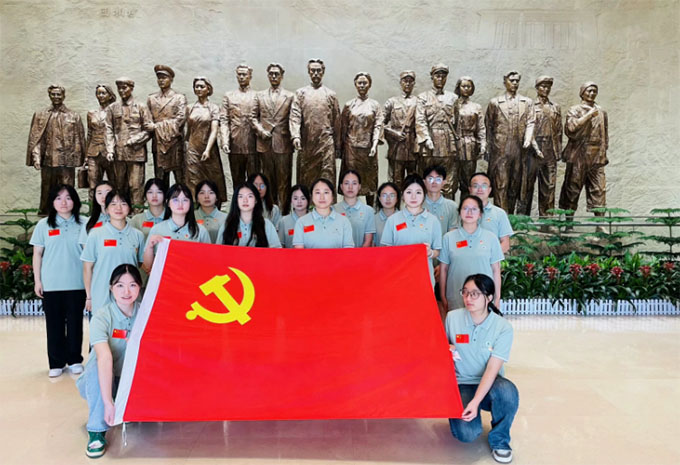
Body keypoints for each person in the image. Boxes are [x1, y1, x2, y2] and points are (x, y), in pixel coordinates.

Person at [445, 274, 518, 464]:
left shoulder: (503, 327)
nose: (468, 298)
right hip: (462, 383)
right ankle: (461, 412)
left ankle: (500, 440)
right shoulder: (452, 318)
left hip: (491, 383)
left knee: (508, 392)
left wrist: (475, 402)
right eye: (465, 292)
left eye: (475, 294)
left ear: (489, 297)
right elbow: (439, 347)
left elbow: (492, 369)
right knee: (467, 434)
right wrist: (445, 348)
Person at [76, 264, 142, 458]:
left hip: (130, 381)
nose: (126, 292)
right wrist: (107, 402)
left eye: (132, 285)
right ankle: (96, 431)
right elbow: (104, 358)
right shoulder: (102, 317)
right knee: (97, 364)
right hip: (100, 380)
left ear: (140, 287)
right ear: (111, 288)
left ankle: (129, 406)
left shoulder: (146, 312)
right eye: (120, 285)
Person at [30, 184, 86, 377]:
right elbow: (37, 254)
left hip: (77, 282)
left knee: (75, 324)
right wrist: (37, 281)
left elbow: (90, 255)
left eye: (68, 198)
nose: (63, 202)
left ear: (75, 201)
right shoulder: (43, 225)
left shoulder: (84, 223)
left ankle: (75, 360)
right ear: (52, 202)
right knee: (53, 325)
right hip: (52, 283)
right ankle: (56, 363)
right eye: (58, 198)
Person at [81, 190, 145, 315]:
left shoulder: (138, 235)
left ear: (129, 208)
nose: (118, 208)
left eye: (123, 203)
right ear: (106, 209)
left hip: (128, 295)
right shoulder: (96, 234)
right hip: (102, 294)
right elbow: (87, 268)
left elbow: (141, 264)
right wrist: (89, 296)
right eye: (113, 204)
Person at [26, 85, 86, 214]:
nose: (56, 97)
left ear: (64, 96)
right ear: (49, 95)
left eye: (59, 94)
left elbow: (80, 138)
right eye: (53, 94)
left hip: (67, 161)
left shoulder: (73, 115)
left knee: (67, 189)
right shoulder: (40, 115)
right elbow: (36, 138)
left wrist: (81, 160)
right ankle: (46, 215)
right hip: (48, 159)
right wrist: (36, 157)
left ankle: (69, 214)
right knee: (47, 189)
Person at [439, 195, 503, 311]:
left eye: (474, 209)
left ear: (480, 214)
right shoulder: (448, 238)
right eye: (465, 208)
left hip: (483, 297)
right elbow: (443, 269)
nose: (469, 212)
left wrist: (497, 298)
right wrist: (443, 296)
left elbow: (496, 270)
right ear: (459, 212)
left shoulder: (491, 238)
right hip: (456, 297)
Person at [558, 81, 609, 226]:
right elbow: (571, 129)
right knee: (572, 188)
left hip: (596, 155)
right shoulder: (574, 110)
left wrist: (603, 152)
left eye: (594, 91)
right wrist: (588, 115)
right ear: (582, 93)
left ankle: (600, 224)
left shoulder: (601, 112)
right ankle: (569, 223)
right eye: (589, 91)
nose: (592, 94)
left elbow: (605, 135)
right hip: (579, 154)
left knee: (599, 189)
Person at [485, 71, 535, 214]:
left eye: (517, 81)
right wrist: (488, 148)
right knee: (501, 184)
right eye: (511, 80)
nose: (514, 83)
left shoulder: (527, 103)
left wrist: (528, 138)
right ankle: (500, 217)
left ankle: (510, 217)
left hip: (519, 150)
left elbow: (531, 122)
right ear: (505, 82)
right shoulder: (495, 103)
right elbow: (488, 126)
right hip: (500, 151)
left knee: (515, 185)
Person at [381, 174, 442, 287]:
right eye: (409, 192)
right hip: (398, 277)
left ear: (424, 195)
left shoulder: (433, 221)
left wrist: (430, 253)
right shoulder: (393, 220)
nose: (413, 197)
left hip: (424, 278)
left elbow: (437, 251)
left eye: (418, 192)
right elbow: (386, 250)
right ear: (403, 195)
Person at [289, 59, 342, 188]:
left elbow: (337, 122)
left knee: (327, 179)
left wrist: (338, 146)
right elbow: (295, 116)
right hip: (307, 143)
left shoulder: (331, 95)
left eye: (318, 70)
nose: (316, 73)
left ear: (323, 72)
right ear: (309, 72)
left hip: (326, 145)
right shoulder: (300, 93)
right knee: (306, 182)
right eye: (313, 70)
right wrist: (295, 136)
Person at [250, 63, 295, 204]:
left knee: (284, 181)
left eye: (276, 74)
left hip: (283, 144)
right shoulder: (259, 96)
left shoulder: (290, 96)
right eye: (271, 74)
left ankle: (284, 212)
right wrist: (261, 131)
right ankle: (269, 210)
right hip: (265, 144)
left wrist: (295, 137)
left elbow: (294, 119)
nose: (274, 76)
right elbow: (252, 118)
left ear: (282, 76)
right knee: (267, 180)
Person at [105, 77, 152, 209]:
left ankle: (137, 212)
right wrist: (110, 149)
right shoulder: (112, 108)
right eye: (119, 88)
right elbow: (108, 129)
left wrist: (135, 140)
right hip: (119, 153)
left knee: (136, 185)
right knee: (120, 186)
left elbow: (149, 129)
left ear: (131, 88)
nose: (121, 91)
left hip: (136, 153)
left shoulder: (141, 107)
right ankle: (121, 212)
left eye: (124, 88)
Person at [518, 75, 562, 217]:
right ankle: (522, 219)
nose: (546, 89)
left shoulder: (555, 107)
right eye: (543, 86)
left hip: (550, 148)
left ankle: (547, 220)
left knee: (549, 186)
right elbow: (525, 128)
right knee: (527, 185)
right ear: (537, 88)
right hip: (532, 150)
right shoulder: (530, 105)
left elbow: (559, 130)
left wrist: (558, 151)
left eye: (548, 86)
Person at [143, 184, 212, 271]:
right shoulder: (157, 229)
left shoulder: (201, 231)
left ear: (190, 203)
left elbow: (209, 262)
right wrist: (150, 246)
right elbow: (147, 266)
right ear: (168, 202)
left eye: (185, 200)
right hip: (164, 278)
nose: (180, 204)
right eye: (175, 200)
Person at [339, 72, 383, 207]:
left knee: (370, 183)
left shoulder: (375, 105)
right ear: (355, 84)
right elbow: (342, 128)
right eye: (360, 83)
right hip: (351, 150)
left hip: (368, 149)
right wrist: (340, 150)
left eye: (365, 83)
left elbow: (378, 126)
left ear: (370, 85)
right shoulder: (349, 105)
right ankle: (351, 210)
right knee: (351, 181)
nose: (362, 85)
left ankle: (371, 211)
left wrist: (374, 144)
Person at [415, 64, 458, 199]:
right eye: (437, 76)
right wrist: (426, 138)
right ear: (432, 77)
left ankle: (447, 208)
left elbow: (457, 122)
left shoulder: (453, 98)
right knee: (426, 178)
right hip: (429, 142)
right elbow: (420, 120)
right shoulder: (423, 97)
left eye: (443, 76)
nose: (440, 79)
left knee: (447, 180)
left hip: (447, 142)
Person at [184, 77, 228, 204]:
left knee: (212, 178)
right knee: (193, 179)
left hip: (209, 149)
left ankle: (213, 206)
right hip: (193, 148)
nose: (199, 89)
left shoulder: (214, 108)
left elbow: (214, 131)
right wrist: (187, 147)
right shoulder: (190, 108)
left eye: (202, 86)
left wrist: (207, 150)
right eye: (196, 86)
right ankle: (195, 207)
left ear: (208, 89)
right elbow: (188, 131)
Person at [146, 64, 187, 186]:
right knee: (160, 178)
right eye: (159, 78)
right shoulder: (151, 99)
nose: (161, 80)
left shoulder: (179, 98)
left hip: (175, 142)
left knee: (180, 178)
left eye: (164, 77)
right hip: (158, 143)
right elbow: (147, 121)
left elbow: (180, 119)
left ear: (171, 79)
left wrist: (157, 127)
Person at [220, 64, 259, 186]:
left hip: (253, 145)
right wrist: (225, 141)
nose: (241, 77)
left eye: (244, 74)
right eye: (239, 74)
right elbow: (224, 120)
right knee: (237, 181)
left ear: (250, 76)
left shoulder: (257, 96)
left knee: (255, 181)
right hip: (235, 144)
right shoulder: (229, 96)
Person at [293, 178, 354, 249]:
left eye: (326, 192)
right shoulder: (301, 222)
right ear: (312, 196)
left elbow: (348, 251)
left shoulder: (344, 222)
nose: (322, 197)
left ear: (332, 196)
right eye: (317, 192)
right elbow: (299, 253)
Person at [217, 182, 281, 247]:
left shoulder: (267, 225)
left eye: (250, 196)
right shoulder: (227, 225)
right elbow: (218, 250)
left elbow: (276, 250)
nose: (245, 200)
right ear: (236, 200)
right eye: (241, 196)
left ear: (256, 200)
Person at [383, 71, 419, 187]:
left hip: (413, 147)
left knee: (413, 182)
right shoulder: (392, 102)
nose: (407, 84)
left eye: (410, 81)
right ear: (400, 83)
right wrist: (393, 133)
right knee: (396, 181)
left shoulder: (419, 102)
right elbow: (380, 123)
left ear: (414, 83)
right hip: (396, 147)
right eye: (405, 81)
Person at [453, 76, 486, 200]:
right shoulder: (453, 105)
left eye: (468, 86)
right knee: (452, 181)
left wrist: (483, 144)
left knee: (468, 181)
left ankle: (466, 206)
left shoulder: (476, 107)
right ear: (459, 87)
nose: (466, 89)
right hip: (455, 145)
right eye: (463, 86)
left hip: (470, 145)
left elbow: (481, 128)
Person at [84, 84, 117, 202]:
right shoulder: (91, 113)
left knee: (114, 183)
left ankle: (113, 207)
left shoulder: (115, 111)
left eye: (103, 93)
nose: (101, 95)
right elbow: (89, 134)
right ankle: (93, 209)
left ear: (110, 95)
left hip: (110, 152)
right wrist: (86, 155)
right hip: (93, 152)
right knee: (92, 184)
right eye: (99, 93)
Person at [469, 172, 513, 254]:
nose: (480, 189)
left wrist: (488, 256)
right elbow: (456, 242)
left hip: (491, 260)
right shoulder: (462, 213)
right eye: (475, 186)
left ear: (489, 190)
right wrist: (467, 251)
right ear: (470, 189)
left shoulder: (499, 213)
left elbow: (505, 244)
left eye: (484, 186)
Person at [334, 170, 375, 247]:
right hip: (339, 253)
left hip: (361, 253)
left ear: (359, 186)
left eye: (354, 183)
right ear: (341, 186)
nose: (350, 187)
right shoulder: (333, 210)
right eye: (346, 183)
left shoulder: (368, 211)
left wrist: (358, 254)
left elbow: (368, 241)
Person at [423, 165, 459, 236]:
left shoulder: (452, 206)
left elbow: (453, 233)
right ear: (424, 181)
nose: (434, 182)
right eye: (430, 179)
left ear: (444, 182)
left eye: (438, 179)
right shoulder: (418, 205)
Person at [79, 180, 114, 246]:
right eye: (99, 193)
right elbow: (85, 247)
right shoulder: (88, 222)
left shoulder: (124, 220)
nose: (103, 196)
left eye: (107, 192)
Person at [278, 184, 310, 248]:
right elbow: (280, 246)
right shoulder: (284, 222)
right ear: (291, 200)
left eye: (303, 198)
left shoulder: (314, 220)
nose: (299, 201)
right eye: (295, 198)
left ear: (308, 200)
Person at [373, 182, 400, 247]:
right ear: (379, 198)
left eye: (392, 195)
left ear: (397, 198)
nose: (388, 199)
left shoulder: (404, 219)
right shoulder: (373, 220)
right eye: (384, 195)